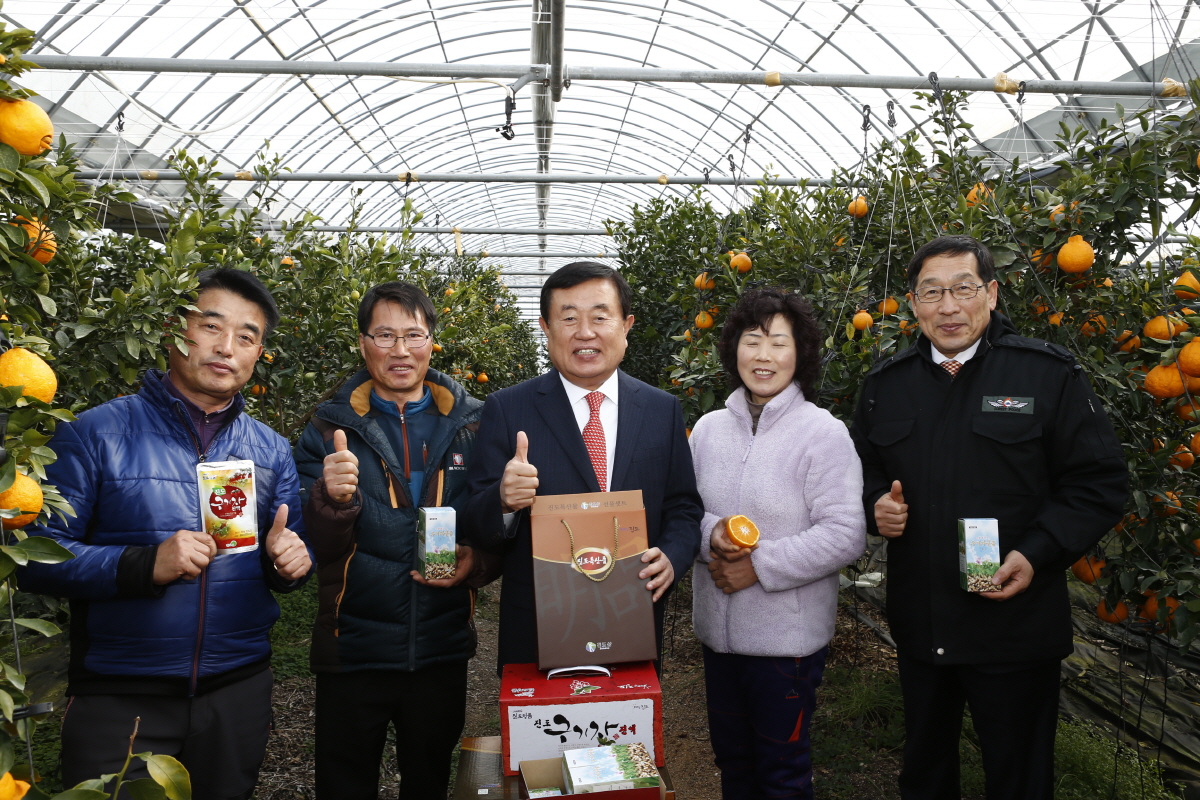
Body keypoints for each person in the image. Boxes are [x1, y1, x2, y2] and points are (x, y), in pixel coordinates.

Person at [849, 235, 1128, 800]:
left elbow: (1099, 483)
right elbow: (858, 472)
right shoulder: (886, 386)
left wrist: (1038, 551)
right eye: (932, 292)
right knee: (925, 769)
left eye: (963, 289)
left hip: (1014, 622)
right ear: (913, 303)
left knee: (1019, 773)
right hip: (923, 621)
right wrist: (874, 505)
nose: (948, 306)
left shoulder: (1045, 376)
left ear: (992, 294)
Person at [18, 268, 312, 800]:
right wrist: (143, 564)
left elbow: (291, 549)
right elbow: (37, 558)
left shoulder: (271, 450)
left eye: (247, 337)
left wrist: (289, 561)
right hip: (120, 696)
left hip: (237, 689)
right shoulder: (95, 433)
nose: (227, 347)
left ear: (258, 353)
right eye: (210, 326)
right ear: (173, 331)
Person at [294, 281, 492, 800]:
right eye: (384, 335)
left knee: (428, 781)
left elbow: (489, 524)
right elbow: (311, 537)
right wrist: (331, 500)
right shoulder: (327, 427)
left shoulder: (474, 425)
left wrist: (481, 560)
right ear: (363, 343)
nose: (400, 351)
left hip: (439, 645)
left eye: (413, 335)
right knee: (344, 781)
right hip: (352, 645)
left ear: (433, 342)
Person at [464, 261, 703, 670]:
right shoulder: (508, 408)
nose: (585, 332)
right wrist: (503, 501)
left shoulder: (661, 409)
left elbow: (683, 504)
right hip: (538, 622)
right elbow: (473, 520)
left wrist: (674, 557)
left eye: (599, 316)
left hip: (633, 612)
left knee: (624, 732)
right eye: (569, 318)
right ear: (546, 328)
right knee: (546, 730)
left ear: (626, 325)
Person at [691, 288, 865, 799]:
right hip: (718, 640)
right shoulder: (707, 430)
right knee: (734, 764)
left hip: (785, 647)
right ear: (733, 350)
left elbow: (844, 533)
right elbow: (683, 511)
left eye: (778, 343)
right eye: (752, 341)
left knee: (782, 770)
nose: (763, 356)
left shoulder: (822, 434)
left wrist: (758, 567)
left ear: (800, 354)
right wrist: (711, 536)